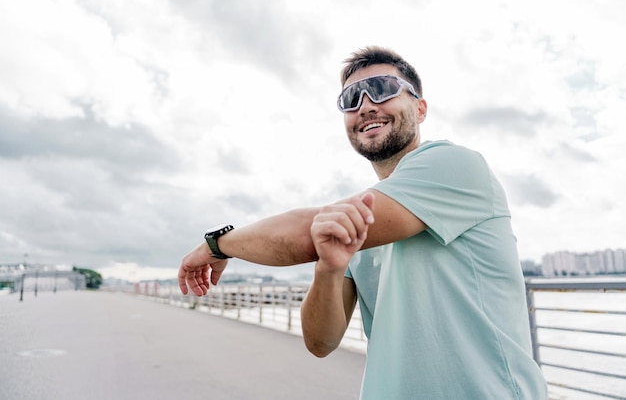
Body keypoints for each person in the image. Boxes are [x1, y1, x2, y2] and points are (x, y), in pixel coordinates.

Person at [179, 46, 548, 399]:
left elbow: (299, 233)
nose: (366, 106)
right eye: (350, 99)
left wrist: (217, 244)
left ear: (420, 108)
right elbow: (321, 342)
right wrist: (328, 269)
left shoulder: (455, 166)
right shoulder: (359, 216)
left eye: (383, 89)